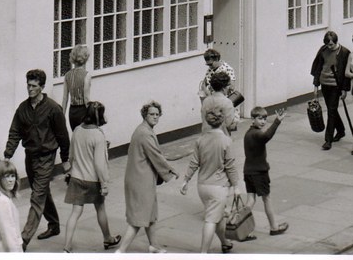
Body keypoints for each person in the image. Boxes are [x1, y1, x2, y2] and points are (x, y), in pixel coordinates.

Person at [4, 68, 70, 248]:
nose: (30, 88)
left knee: (37, 195)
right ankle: (54, 224)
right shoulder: (23, 108)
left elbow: (63, 136)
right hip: (30, 155)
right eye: (28, 85)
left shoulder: (53, 109)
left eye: (34, 86)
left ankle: (23, 240)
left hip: (47, 156)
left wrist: (65, 161)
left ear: (41, 87)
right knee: (41, 190)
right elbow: (15, 132)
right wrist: (8, 155)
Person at [117, 101, 178, 253]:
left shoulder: (144, 130)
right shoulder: (144, 133)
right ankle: (120, 251)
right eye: (152, 114)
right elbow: (156, 156)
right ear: (145, 115)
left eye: (157, 114)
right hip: (140, 180)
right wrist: (170, 170)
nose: (155, 117)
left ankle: (154, 246)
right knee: (138, 219)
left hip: (140, 177)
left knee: (149, 213)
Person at [63, 101, 120, 252]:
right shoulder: (98, 135)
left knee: (75, 213)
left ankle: (67, 247)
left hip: (76, 177)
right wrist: (104, 184)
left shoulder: (77, 130)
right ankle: (107, 238)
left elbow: (71, 156)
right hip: (93, 180)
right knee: (100, 208)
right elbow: (99, 164)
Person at [180, 107, 239, 255]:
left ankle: (225, 243)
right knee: (211, 220)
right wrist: (236, 186)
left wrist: (186, 180)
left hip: (202, 186)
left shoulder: (201, 140)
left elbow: (194, 162)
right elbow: (230, 166)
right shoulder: (226, 141)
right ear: (222, 121)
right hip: (218, 187)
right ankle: (203, 253)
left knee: (216, 216)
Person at [242, 106, 288, 237]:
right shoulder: (256, 134)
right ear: (253, 119)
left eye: (265, 119)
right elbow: (267, 136)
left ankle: (241, 225)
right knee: (266, 198)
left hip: (248, 172)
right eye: (260, 118)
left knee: (250, 200)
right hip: (259, 172)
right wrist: (277, 121)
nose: (263, 121)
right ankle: (274, 227)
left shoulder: (248, 133)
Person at [310, 30, 350, 150]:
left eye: (332, 44)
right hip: (324, 83)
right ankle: (341, 130)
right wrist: (316, 85)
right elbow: (318, 68)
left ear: (336, 42)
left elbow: (346, 73)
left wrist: (344, 89)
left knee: (331, 111)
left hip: (335, 85)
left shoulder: (344, 52)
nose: (330, 46)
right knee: (331, 109)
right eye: (328, 44)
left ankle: (328, 140)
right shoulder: (323, 50)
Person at [61, 46, 93, 132]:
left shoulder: (67, 75)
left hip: (72, 111)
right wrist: (91, 114)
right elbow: (86, 98)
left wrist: (62, 115)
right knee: (85, 137)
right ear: (85, 58)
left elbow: (65, 98)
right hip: (83, 110)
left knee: (76, 135)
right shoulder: (86, 75)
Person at [201, 72, 238, 136]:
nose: (229, 87)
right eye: (228, 85)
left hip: (206, 136)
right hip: (221, 137)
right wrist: (236, 117)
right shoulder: (227, 102)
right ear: (224, 88)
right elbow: (229, 125)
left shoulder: (206, 101)